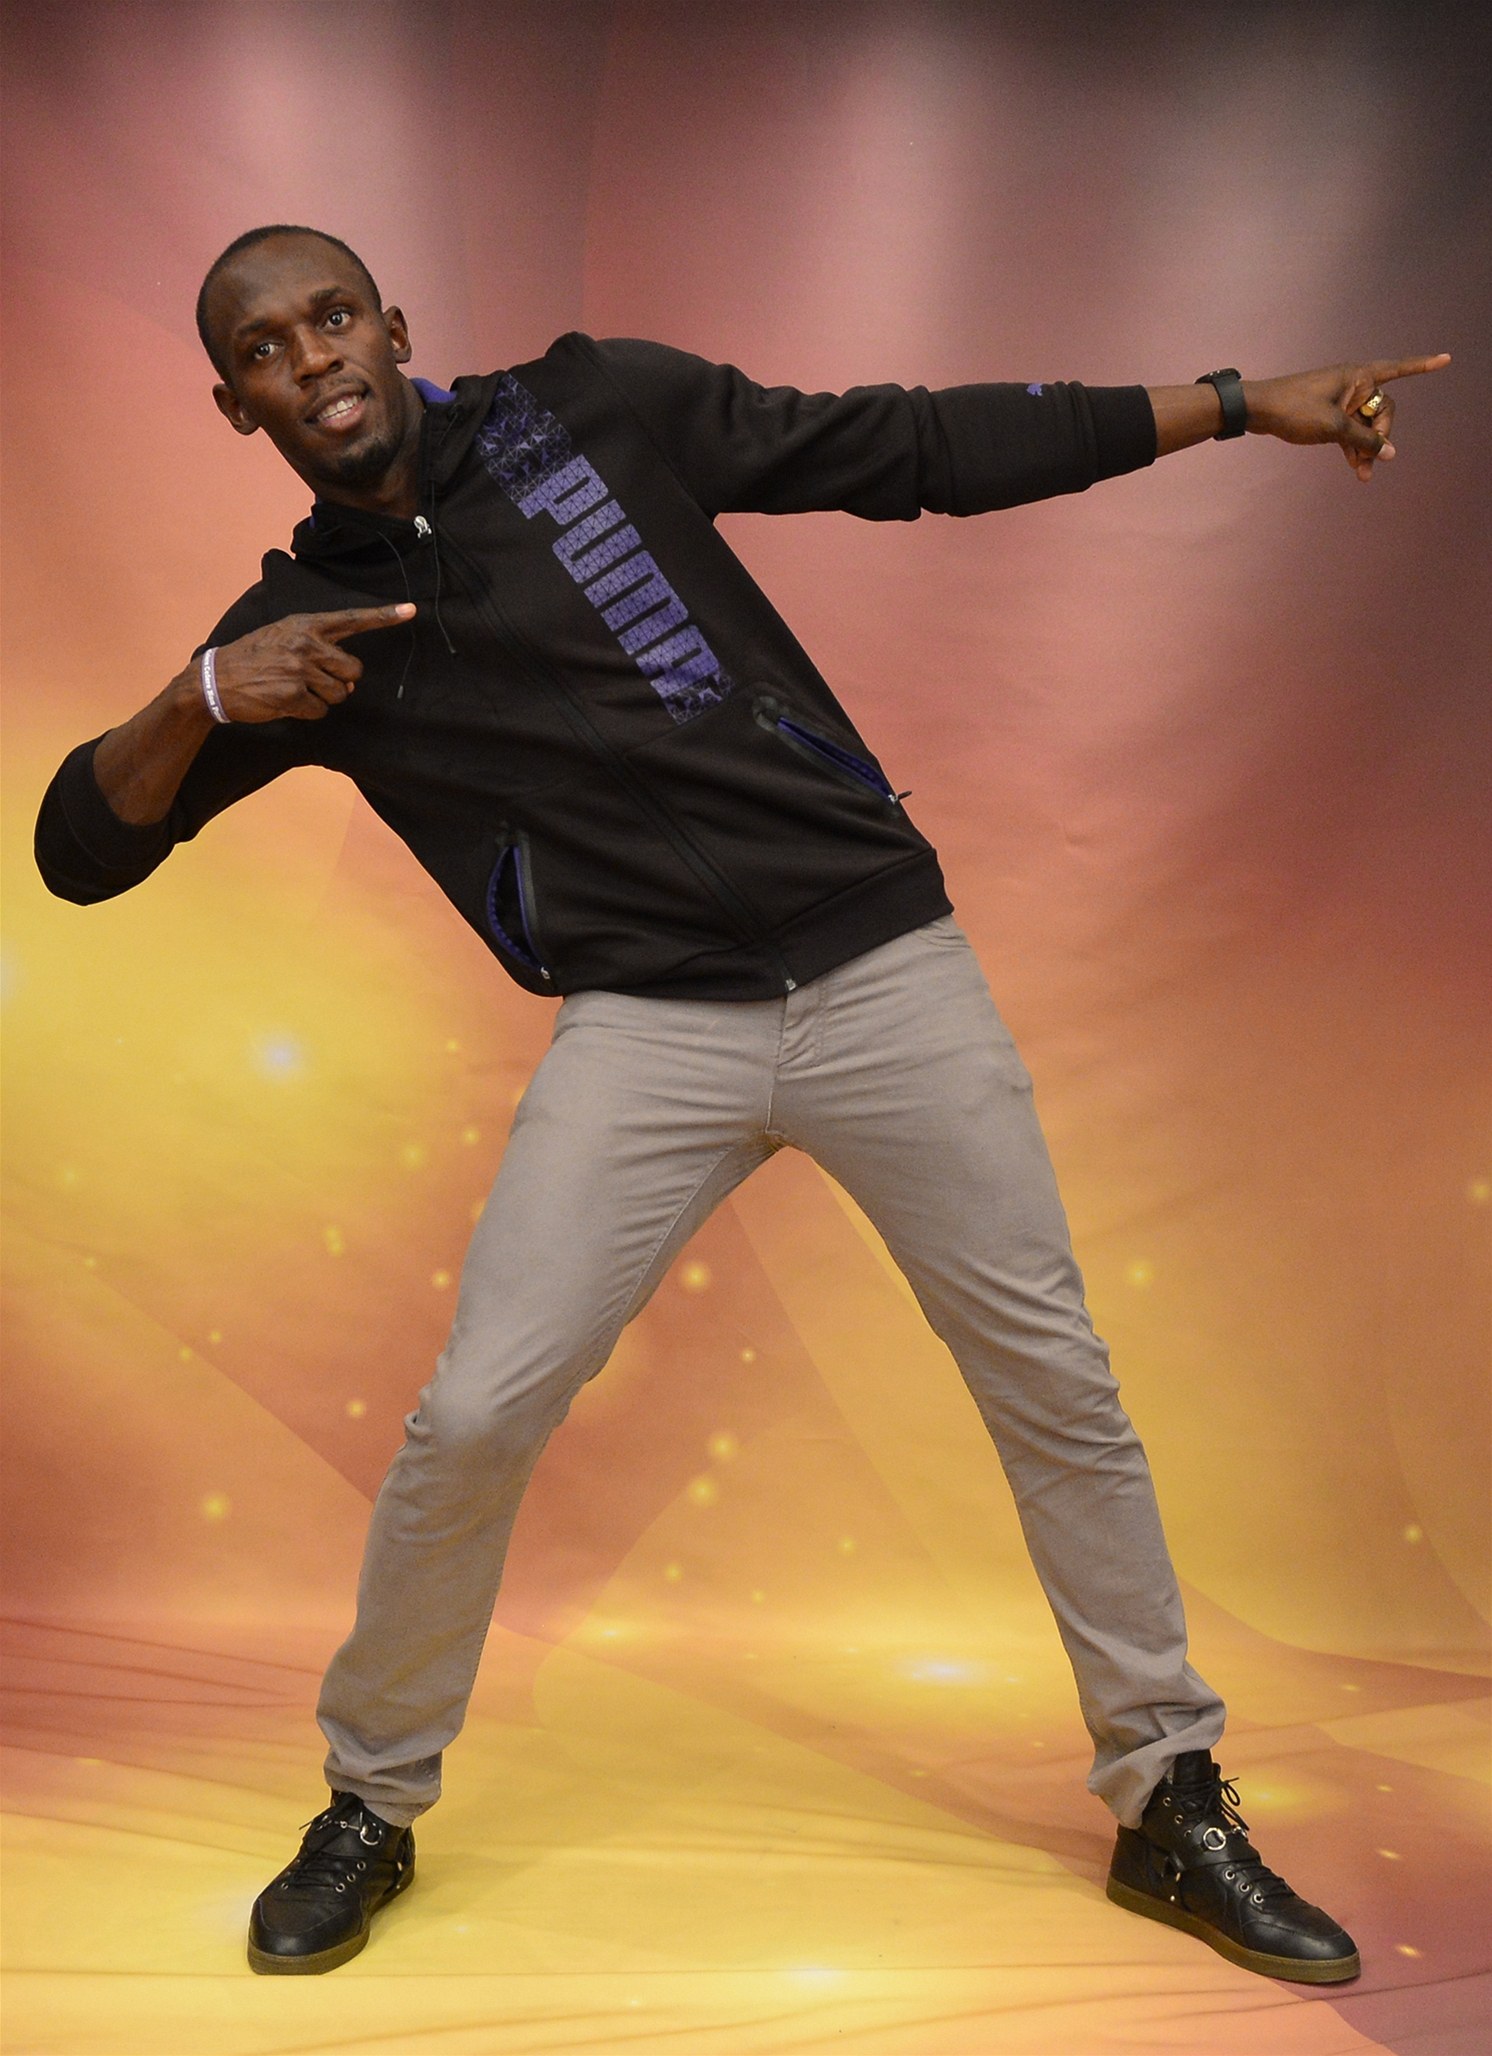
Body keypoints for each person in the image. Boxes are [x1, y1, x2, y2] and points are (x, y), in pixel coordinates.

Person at [33, 223, 1449, 1985]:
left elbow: (914, 445)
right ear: (233, 405)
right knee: (473, 1416)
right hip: (647, 1033)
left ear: (392, 325)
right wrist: (200, 695)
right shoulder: (300, 637)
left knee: (1054, 1382)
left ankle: (1171, 1798)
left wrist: (1238, 403)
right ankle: (369, 1802)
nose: (310, 356)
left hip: (880, 969)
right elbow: (78, 851)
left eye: (331, 316)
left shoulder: (593, 410)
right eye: (263, 347)